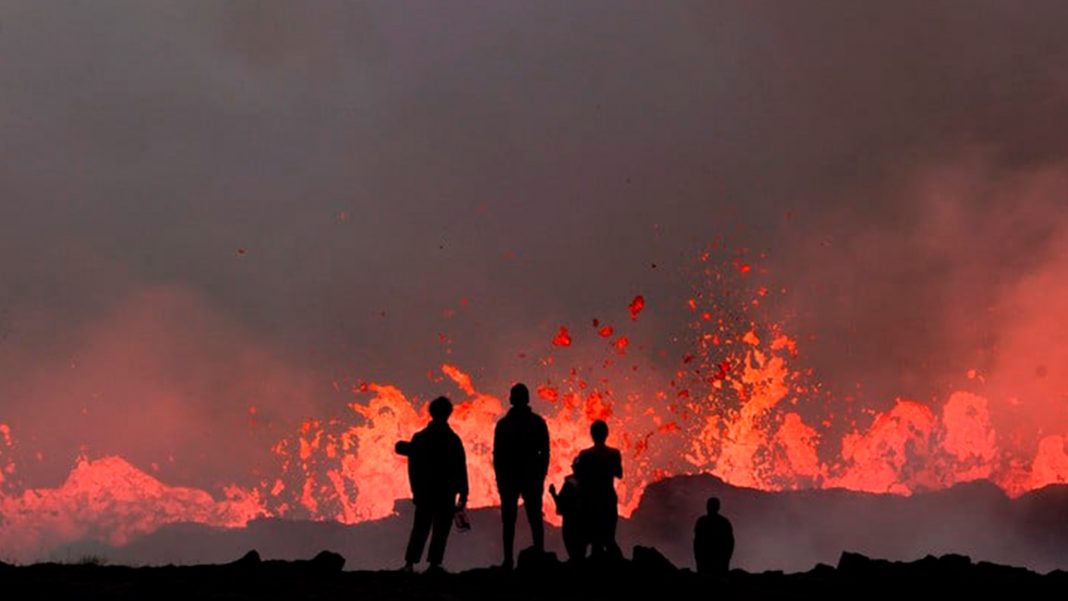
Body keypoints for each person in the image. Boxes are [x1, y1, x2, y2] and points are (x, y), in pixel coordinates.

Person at [395, 396, 469, 573]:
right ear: (449, 414)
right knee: (441, 529)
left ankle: (409, 564)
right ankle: (434, 564)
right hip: (445, 493)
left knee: (420, 528)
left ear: (431, 413)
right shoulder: (453, 440)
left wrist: (416, 490)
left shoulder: (420, 438)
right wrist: (463, 493)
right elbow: (461, 467)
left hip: (425, 493)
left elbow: (413, 467)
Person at [492, 383, 550, 569]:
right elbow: (545, 453)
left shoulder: (503, 425)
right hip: (531, 476)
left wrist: (500, 479)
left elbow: (498, 455)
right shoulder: (537, 422)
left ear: (511, 399)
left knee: (509, 520)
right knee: (534, 518)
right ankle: (539, 554)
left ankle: (508, 560)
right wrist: (540, 474)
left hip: (510, 478)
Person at [572, 419, 622, 559]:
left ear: (591, 435)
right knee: (609, 539)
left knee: (594, 541)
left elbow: (579, 475)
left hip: (591, 501)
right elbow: (619, 473)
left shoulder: (584, 455)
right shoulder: (614, 453)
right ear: (606, 434)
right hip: (608, 499)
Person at [549, 472, 586, 562]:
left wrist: (553, 494)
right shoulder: (590, 484)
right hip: (583, 522)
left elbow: (561, 504)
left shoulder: (569, 484)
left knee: (573, 548)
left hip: (570, 521)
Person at [694, 496, 734, 576]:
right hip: (715, 562)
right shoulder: (724, 522)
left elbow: (697, 542)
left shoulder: (702, 522)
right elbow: (730, 543)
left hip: (710, 562)